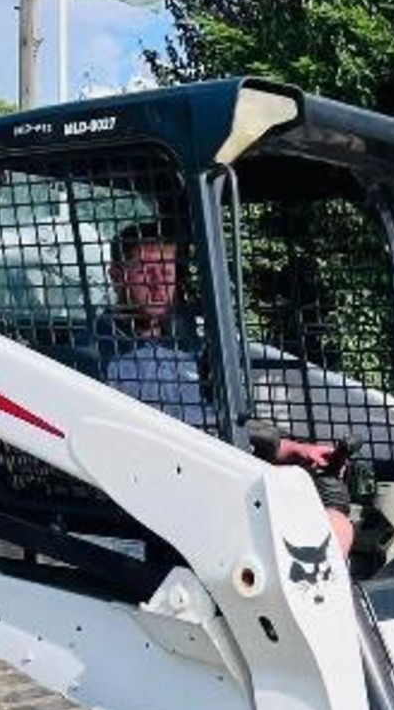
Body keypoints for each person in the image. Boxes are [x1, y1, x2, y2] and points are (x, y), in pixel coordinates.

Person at [104, 222, 354, 555]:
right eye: (143, 269)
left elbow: (220, 419)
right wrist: (271, 444)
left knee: (328, 501)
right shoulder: (103, 354)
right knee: (332, 529)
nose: (158, 282)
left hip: (216, 475)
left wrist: (292, 451)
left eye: (166, 268)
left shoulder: (190, 342)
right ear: (116, 274)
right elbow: (181, 429)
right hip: (165, 494)